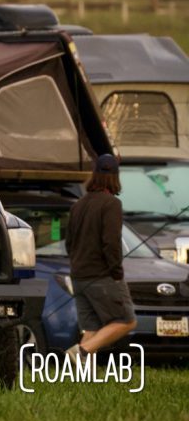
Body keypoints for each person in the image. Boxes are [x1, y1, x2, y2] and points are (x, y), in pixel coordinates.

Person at [64, 154, 137, 361]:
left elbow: (69, 243)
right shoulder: (111, 204)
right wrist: (116, 272)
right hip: (102, 276)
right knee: (126, 321)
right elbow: (111, 242)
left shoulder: (78, 204)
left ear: (94, 175)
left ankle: (83, 378)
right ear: (115, 176)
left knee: (92, 328)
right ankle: (80, 352)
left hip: (79, 276)